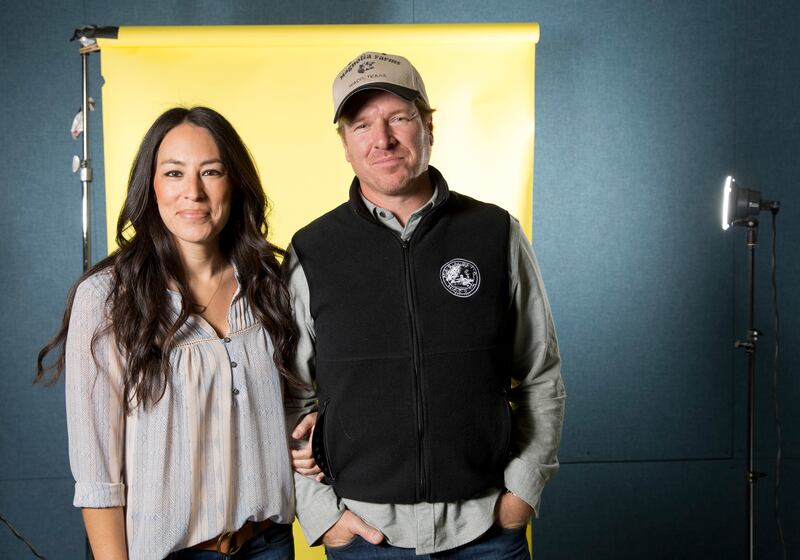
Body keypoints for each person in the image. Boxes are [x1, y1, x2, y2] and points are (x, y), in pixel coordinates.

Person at [285, 52, 566, 559]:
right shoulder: (313, 251)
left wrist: (521, 494)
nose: (383, 139)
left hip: (485, 531)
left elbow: (540, 374)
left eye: (398, 117)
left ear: (427, 125)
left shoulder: (495, 233)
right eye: (362, 124)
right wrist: (325, 517)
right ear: (345, 144)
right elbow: (289, 396)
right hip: (366, 538)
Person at [36, 107, 300, 560]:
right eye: (174, 173)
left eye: (211, 172)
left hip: (267, 544)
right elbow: (98, 471)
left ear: (233, 183)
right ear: (151, 185)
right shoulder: (106, 299)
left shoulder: (269, 285)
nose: (192, 192)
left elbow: (290, 410)